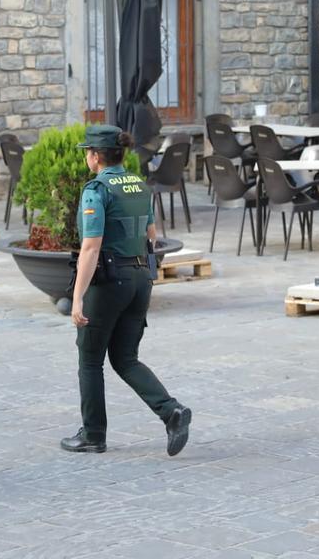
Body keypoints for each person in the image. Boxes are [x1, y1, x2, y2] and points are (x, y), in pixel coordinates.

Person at [61, 124, 191, 457]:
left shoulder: (97, 190)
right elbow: (151, 234)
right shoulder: (138, 185)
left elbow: (91, 247)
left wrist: (77, 299)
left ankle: (93, 434)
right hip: (139, 280)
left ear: (94, 156)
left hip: (109, 282)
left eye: (88, 152)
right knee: (125, 358)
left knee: (90, 359)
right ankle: (171, 411)